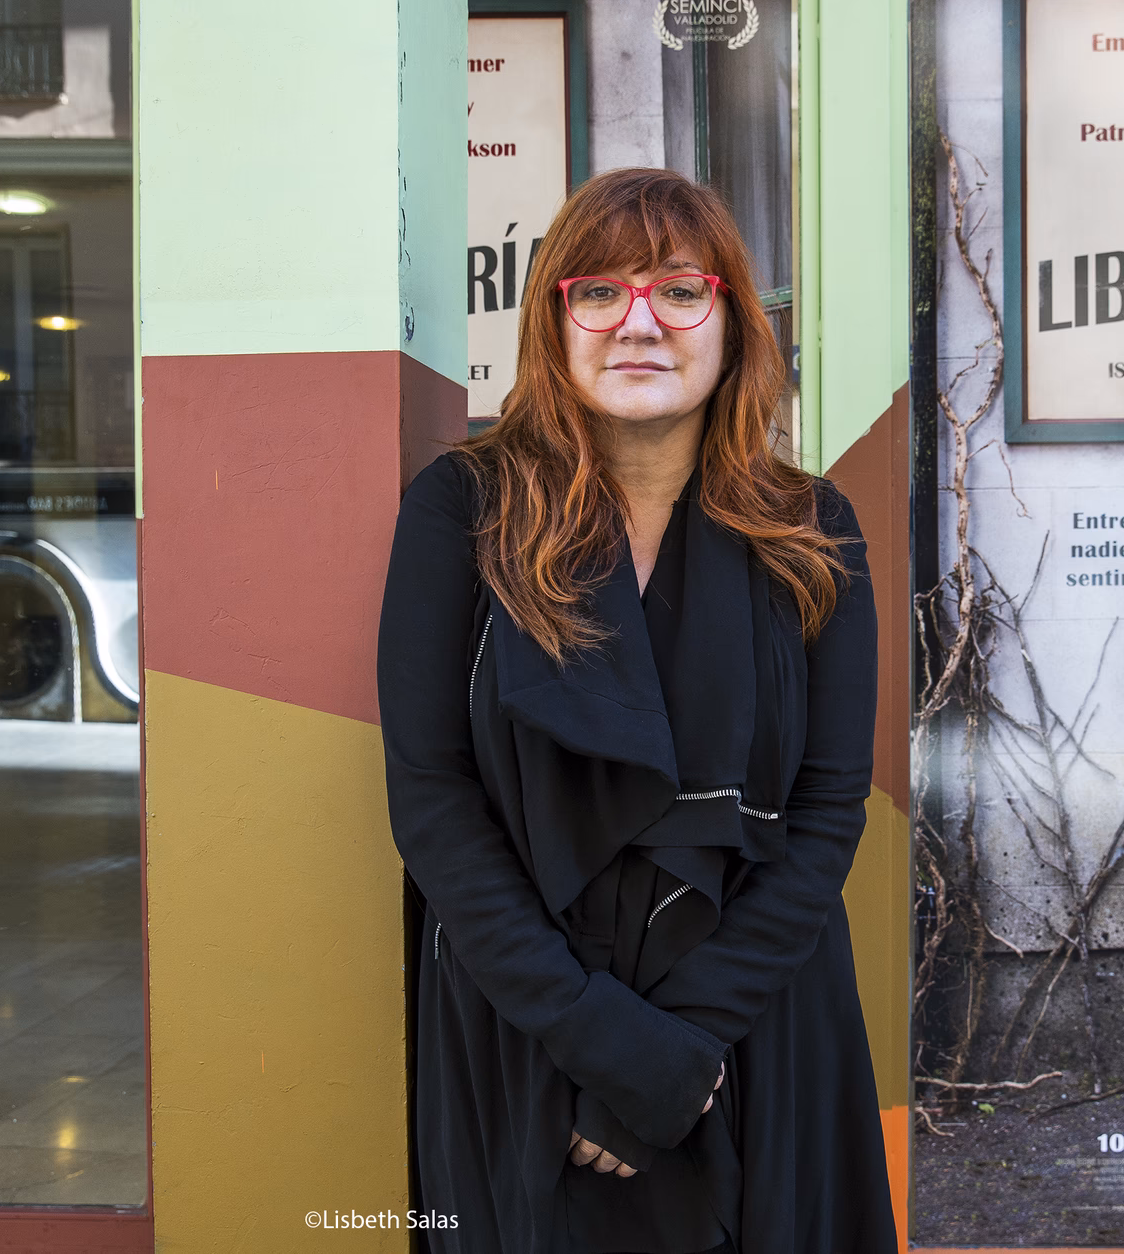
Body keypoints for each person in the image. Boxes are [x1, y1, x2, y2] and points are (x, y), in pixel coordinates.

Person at [376, 168, 896, 1253]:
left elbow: (827, 815)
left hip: (754, 1029)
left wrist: (679, 1048)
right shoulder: (462, 511)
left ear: (732, 319)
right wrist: (598, 1041)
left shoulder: (814, 530)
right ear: (555, 322)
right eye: (599, 293)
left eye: (678, 290)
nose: (639, 324)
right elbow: (433, 803)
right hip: (528, 1032)